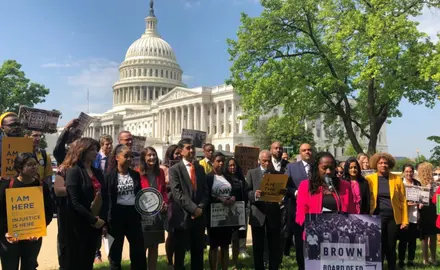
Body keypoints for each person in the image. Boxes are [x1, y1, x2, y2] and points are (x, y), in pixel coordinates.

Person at [0, 152, 53, 270]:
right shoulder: (7, 185)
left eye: (35, 164)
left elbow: (49, 211)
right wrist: (5, 232)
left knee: (29, 266)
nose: (34, 167)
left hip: (32, 238)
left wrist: (39, 229)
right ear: (19, 167)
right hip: (10, 239)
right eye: (30, 164)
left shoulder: (41, 186)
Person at [64, 138, 107, 270]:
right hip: (78, 225)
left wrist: (102, 220)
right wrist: (92, 219)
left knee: (88, 262)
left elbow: (104, 196)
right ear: (82, 151)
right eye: (92, 150)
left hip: (95, 225)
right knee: (77, 262)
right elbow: (74, 202)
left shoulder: (97, 172)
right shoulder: (74, 171)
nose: (96, 152)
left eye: (97, 149)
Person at [168, 138, 208, 270]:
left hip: (199, 217)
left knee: (198, 252)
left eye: (193, 148)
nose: (191, 150)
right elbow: (177, 194)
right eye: (188, 148)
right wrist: (193, 209)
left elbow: (205, 191)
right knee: (179, 253)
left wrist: (200, 208)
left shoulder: (200, 169)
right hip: (182, 217)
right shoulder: (175, 170)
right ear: (180, 151)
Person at [106, 144, 146, 270]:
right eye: (126, 156)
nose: (129, 159)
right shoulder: (109, 176)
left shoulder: (135, 175)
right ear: (117, 157)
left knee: (138, 250)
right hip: (116, 215)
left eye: (131, 156)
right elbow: (106, 199)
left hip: (133, 214)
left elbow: (140, 194)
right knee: (115, 250)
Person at [365, 153, 408, 270]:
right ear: (376, 164)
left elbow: (403, 200)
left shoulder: (397, 179)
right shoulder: (369, 179)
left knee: (391, 245)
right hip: (376, 217)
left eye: (385, 163)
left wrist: (405, 220)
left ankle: (392, 267)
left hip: (393, 218)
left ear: (389, 164)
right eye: (380, 163)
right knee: (377, 245)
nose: (383, 165)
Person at [247, 150, 284, 270]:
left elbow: (284, 192)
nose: (267, 163)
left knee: (274, 245)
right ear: (259, 161)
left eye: (269, 161)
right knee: (258, 246)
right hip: (258, 214)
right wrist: (255, 195)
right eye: (264, 161)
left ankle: (273, 267)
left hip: (273, 214)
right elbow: (247, 192)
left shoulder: (278, 175)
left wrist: (282, 195)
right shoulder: (252, 173)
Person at [296, 152, 355, 225]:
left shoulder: (345, 186)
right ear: (316, 168)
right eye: (324, 168)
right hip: (315, 231)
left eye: (331, 168)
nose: (328, 171)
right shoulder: (305, 186)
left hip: (340, 231)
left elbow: (352, 212)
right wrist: (311, 224)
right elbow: (300, 214)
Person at [138, 147, 168, 270]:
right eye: (149, 155)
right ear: (144, 158)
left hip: (157, 213)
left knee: (154, 245)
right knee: (143, 244)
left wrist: (164, 202)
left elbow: (164, 190)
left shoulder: (160, 172)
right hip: (143, 213)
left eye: (154, 155)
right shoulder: (137, 172)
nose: (152, 158)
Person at [284, 143, 313, 269]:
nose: (307, 152)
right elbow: (285, 185)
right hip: (297, 208)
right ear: (300, 153)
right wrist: (296, 192)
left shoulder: (317, 167)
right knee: (300, 240)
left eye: (309, 150)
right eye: (304, 150)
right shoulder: (291, 167)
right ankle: (302, 266)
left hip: (315, 210)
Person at [207, 152, 233, 270]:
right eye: (218, 161)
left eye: (223, 161)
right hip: (214, 216)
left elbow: (234, 191)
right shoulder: (208, 177)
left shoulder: (228, 177)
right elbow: (206, 195)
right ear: (212, 162)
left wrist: (232, 197)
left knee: (225, 245)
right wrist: (218, 198)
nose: (221, 163)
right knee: (214, 246)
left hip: (227, 215)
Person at [223, 157, 249, 266]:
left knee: (236, 238)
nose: (232, 167)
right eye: (230, 165)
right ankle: (224, 263)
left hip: (239, 212)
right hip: (226, 212)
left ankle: (235, 263)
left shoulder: (241, 179)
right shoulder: (223, 178)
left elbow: (246, 193)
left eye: (234, 165)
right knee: (225, 239)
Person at [91, 134, 113, 264]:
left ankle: (109, 252)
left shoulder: (112, 158)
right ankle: (96, 253)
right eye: (106, 144)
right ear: (101, 145)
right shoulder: (97, 158)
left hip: (109, 195)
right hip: (98, 193)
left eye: (110, 144)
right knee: (97, 223)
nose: (109, 146)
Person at [159, 144, 180, 269]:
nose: (178, 155)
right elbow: (161, 187)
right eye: (176, 153)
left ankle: (178, 259)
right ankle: (169, 260)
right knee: (171, 234)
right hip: (169, 203)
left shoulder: (182, 167)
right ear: (170, 154)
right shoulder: (163, 168)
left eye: (179, 153)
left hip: (181, 203)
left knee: (180, 234)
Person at [398, 164, 420, 268]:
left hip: (414, 216)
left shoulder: (417, 183)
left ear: (413, 172)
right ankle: (401, 260)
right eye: (406, 171)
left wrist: (421, 204)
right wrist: (406, 204)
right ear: (403, 172)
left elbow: (422, 198)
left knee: (412, 241)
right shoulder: (399, 183)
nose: (409, 173)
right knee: (403, 241)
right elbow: (396, 200)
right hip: (403, 217)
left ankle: (410, 260)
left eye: (410, 171)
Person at [417, 162, 438, 265]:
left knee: (427, 237)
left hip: (430, 210)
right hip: (427, 210)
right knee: (428, 237)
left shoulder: (435, 184)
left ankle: (428, 259)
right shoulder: (418, 183)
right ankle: (430, 259)